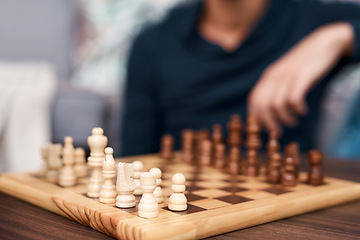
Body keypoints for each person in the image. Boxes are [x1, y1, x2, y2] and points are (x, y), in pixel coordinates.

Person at [121, 0, 360, 156]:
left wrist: (339, 36)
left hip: (289, 205)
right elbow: (136, 155)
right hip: (180, 206)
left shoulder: (314, 18)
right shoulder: (151, 42)